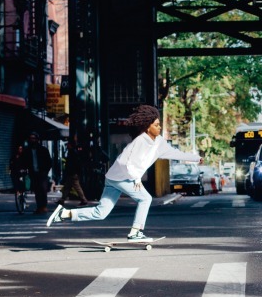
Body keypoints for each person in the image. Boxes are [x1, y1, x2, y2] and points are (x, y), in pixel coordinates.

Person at [46, 104, 202, 242]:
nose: (159, 127)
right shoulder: (140, 141)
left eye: (159, 124)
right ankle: (136, 232)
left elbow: (175, 153)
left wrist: (196, 158)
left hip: (114, 178)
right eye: (156, 125)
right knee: (145, 199)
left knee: (101, 213)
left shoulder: (159, 142)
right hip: (122, 178)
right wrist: (136, 178)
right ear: (148, 127)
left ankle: (64, 214)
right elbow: (125, 161)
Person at [22, 132, 52, 214]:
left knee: (42, 189)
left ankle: (44, 206)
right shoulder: (27, 151)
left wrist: (45, 171)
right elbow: (24, 161)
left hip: (42, 172)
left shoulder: (43, 150)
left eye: (34, 138)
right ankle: (39, 207)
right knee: (37, 190)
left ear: (37, 139)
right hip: (33, 172)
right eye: (31, 138)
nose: (32, 140)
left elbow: (49, 162)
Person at [57, 139, 88, 206]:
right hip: (72, 173)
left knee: (76, 186)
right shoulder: (72, 152)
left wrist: (73, 171)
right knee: (67, 187)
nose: (67, 145)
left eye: (68, 144)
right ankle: (62, 199)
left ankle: (83, 199)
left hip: (72, 173)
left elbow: (73, 164)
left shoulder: (72, 153)